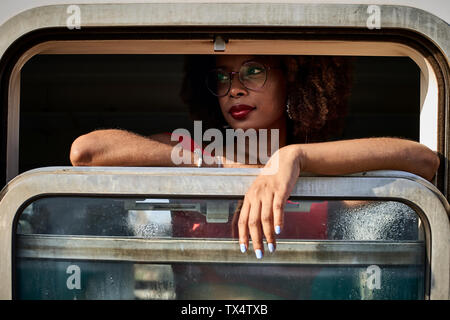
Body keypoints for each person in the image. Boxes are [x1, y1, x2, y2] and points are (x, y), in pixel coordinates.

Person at [70, 54, 440, 261]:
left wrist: (292, 158)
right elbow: (86, 152)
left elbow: (423, 161)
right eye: (221, 77)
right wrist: (215, 164)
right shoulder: (195, 150)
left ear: (293, 79)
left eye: (254, 70)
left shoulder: (312, 164)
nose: (235, 89)